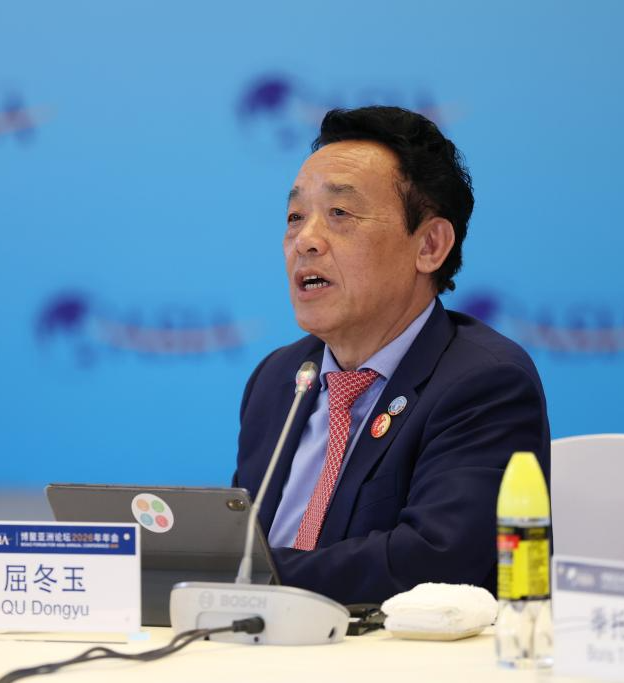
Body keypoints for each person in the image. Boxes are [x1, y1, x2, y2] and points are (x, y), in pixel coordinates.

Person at [233, 106, 549, 605]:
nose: (305, 241)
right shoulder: (279, 379)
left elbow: (436, 559)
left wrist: (248, 577)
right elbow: (239, 540)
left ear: (429, 245)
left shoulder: (484, 383)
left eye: (340, 213)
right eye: (295, 217)